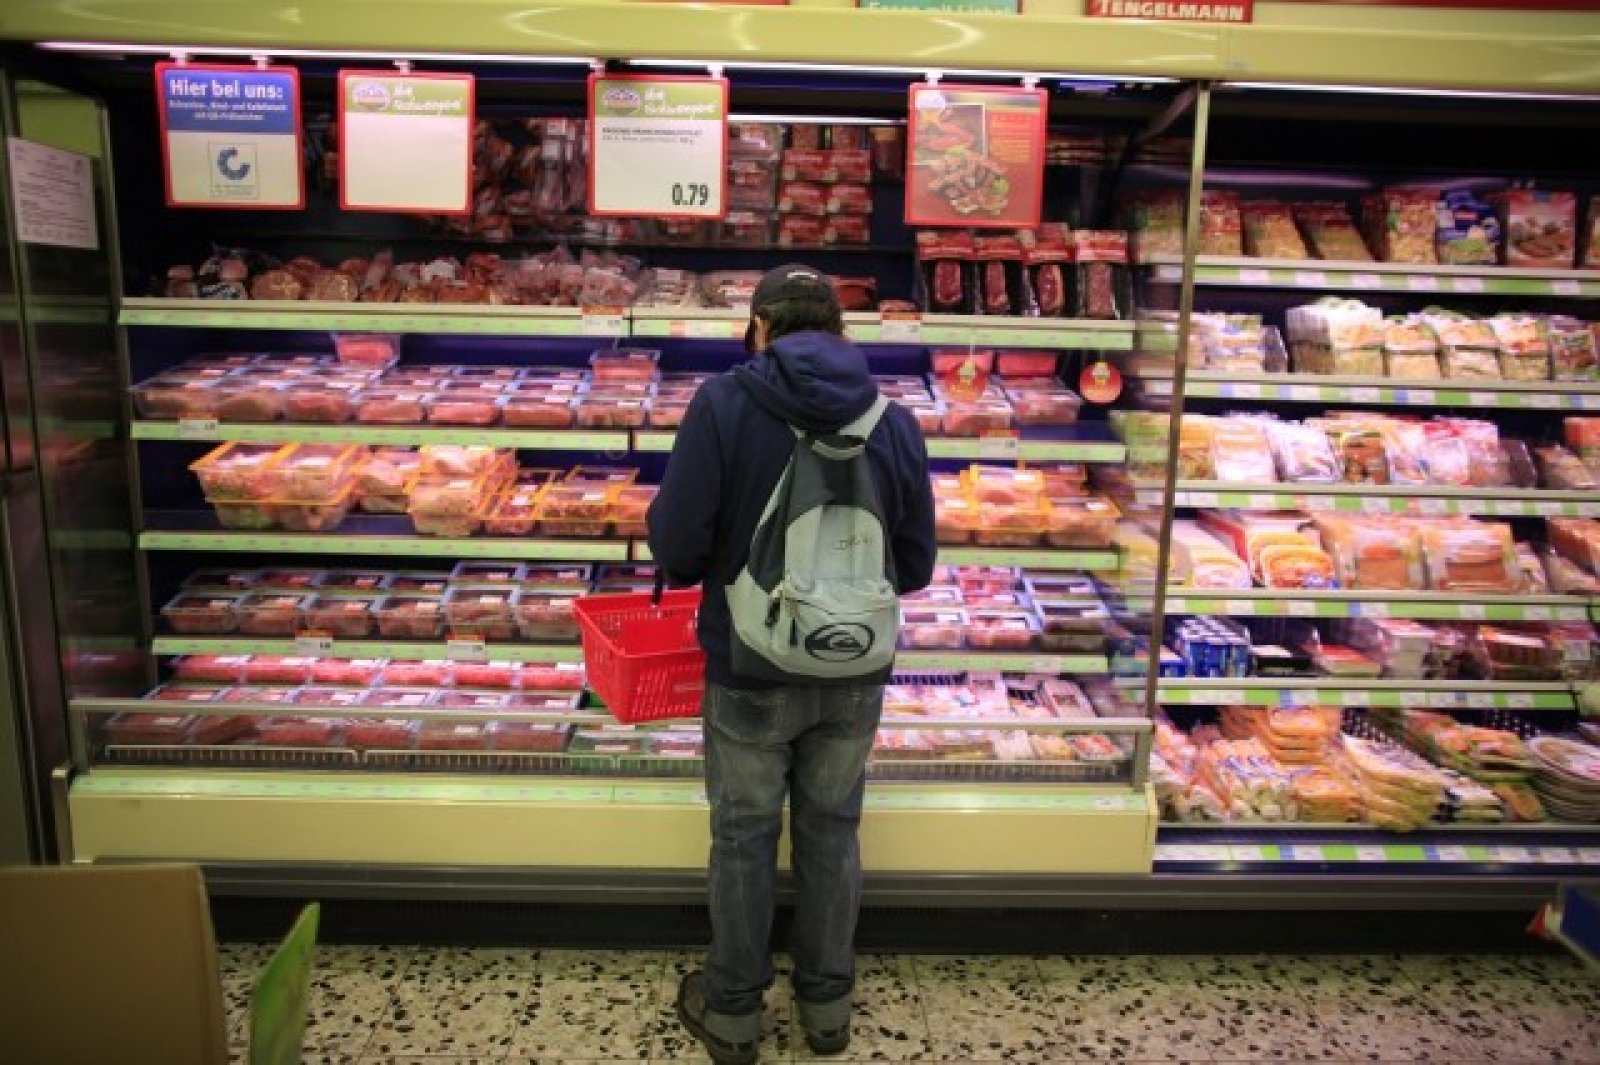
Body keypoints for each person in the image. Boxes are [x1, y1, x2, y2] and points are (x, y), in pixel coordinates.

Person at [647, 264, 936, 1064]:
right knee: (832, 831)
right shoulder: (895, 421)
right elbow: (915, 567)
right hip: (853, 669)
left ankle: (734, 1013)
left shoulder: (721, 404)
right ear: (842, 331)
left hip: (749, 663)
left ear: (760, 329)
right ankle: (827, 1009)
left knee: (743, 837)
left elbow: (678, 547)